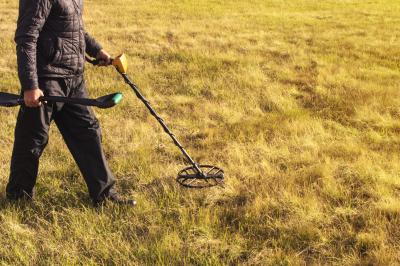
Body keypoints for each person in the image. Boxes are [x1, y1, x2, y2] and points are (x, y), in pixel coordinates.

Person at [7, 0, 136, 206]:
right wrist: (31, 85)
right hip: (46, 79)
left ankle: (104, 195)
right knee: (32, 140)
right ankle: (18, 198)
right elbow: (26, 37)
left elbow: (74, 29)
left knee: (88, 131)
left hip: (74, 79)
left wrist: (97, 50)